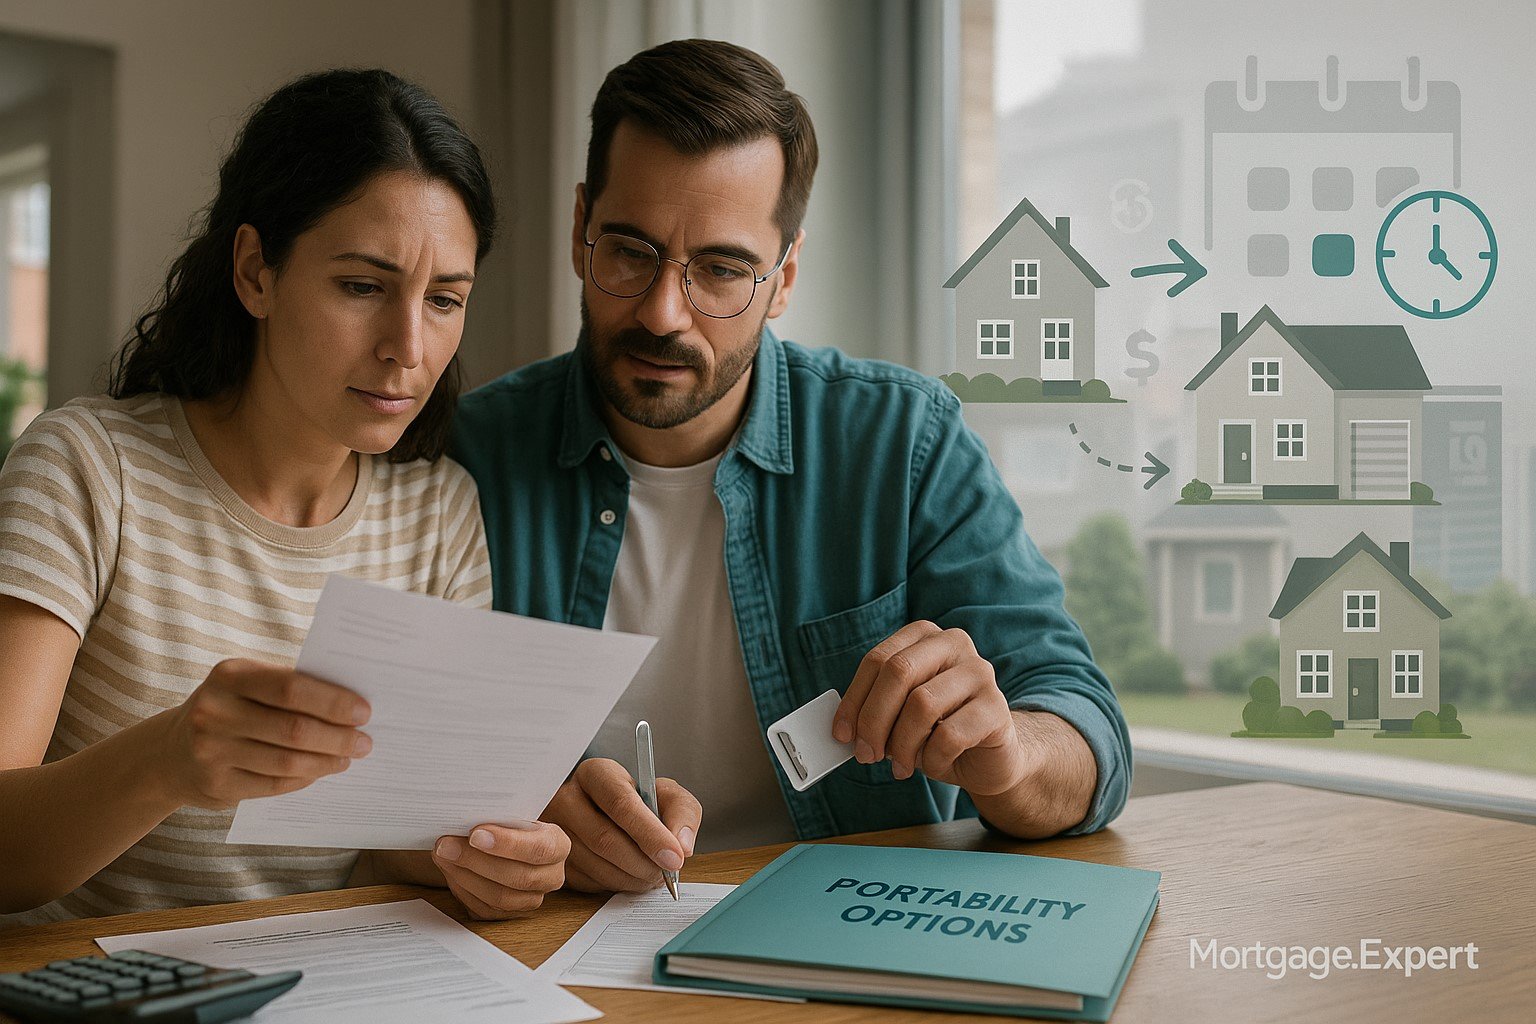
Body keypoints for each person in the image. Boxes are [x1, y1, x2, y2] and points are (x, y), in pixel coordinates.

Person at [451, 39, 1131, 895]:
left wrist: (1011, 753)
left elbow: (1086, 731)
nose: (664, 314)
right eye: (629, 251)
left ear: (784, 279)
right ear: (581, 229)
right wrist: (511, 815)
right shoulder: (468, 456)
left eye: (721, 270)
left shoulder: (904, 443)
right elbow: (406, 769)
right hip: (560, 932)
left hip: (843, 923)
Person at [0, 69, 569, 926]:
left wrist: (488, 858)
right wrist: (166, 761)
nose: (409, 348)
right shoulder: (88, 469)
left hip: (322, 976)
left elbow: (395, 836)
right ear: (255, 271)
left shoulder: (439, 513)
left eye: (445, 300)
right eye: (363, 286)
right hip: (89, 980)